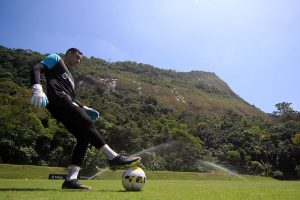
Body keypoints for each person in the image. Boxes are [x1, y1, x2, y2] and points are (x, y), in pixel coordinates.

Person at [30, 48, 140, 190]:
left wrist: (84, 108)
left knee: (83, 138)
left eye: (80, 59)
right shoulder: (56, 59)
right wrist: (37, 88)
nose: (78, 60)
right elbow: (36, 68)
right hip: (57, 99)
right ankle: (113, 158)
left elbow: (72, 99)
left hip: (64, 104)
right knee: (88, 123)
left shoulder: (71, 78)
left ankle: (71, 180)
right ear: (69, 53)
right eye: (76, 57)